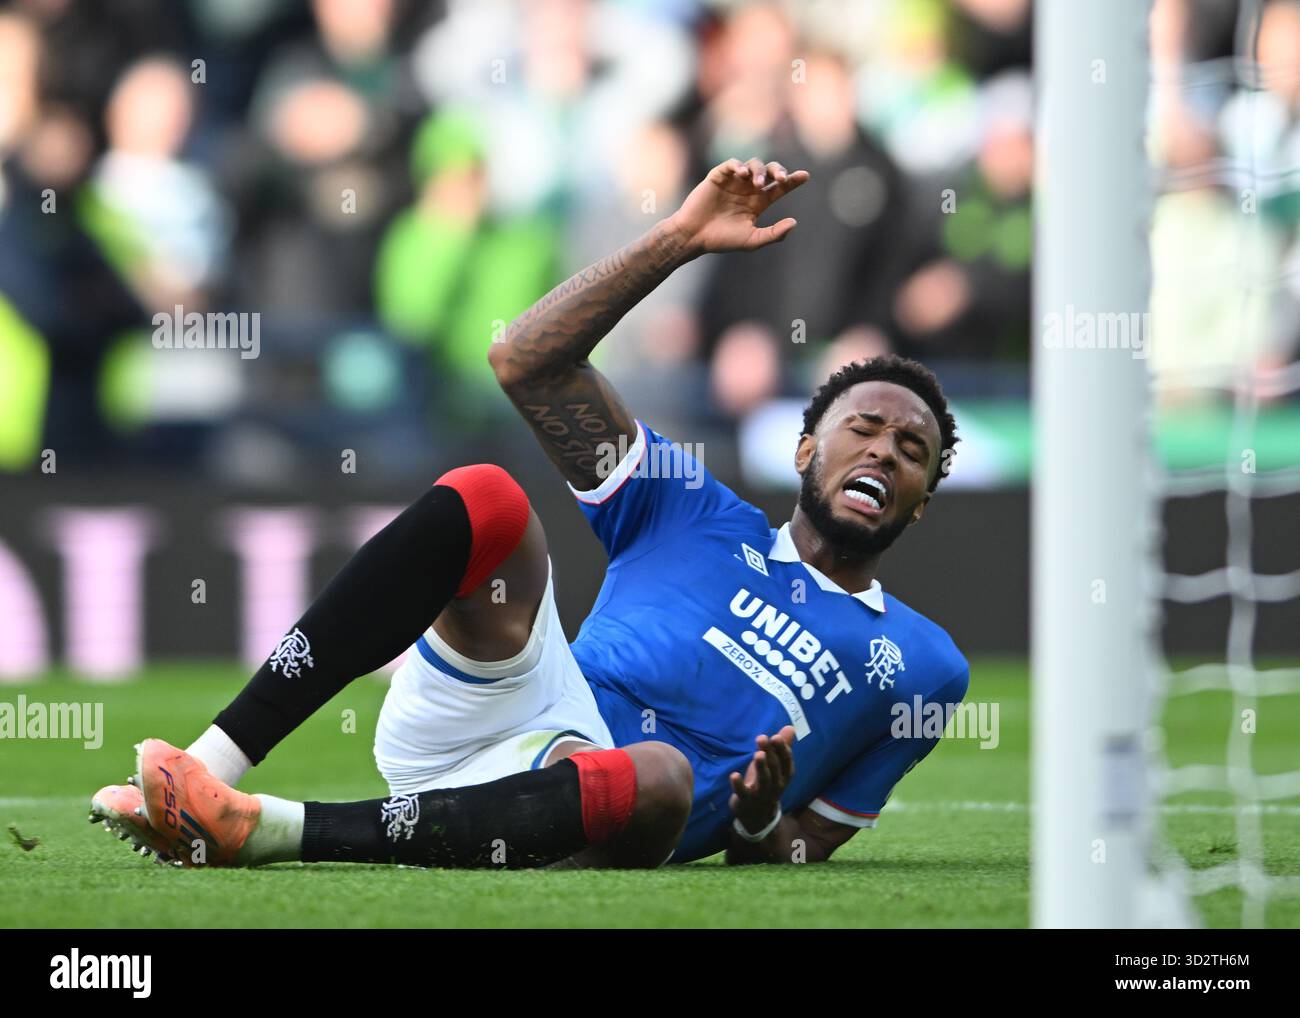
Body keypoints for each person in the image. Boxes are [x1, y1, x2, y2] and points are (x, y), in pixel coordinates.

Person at [91, 157, 968, 870]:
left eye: (912, 451)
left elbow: (801, 853)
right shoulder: (696, 509)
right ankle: (203, 770)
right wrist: (676, 241)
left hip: (603, 808)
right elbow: (524, 365)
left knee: (658, 775)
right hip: (508, 709)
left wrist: (755, 823)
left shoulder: (926, 668)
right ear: (805, 449)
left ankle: (271, 829)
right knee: (488, 496)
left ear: (923, 501)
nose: (886, 451)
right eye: (864, 428)